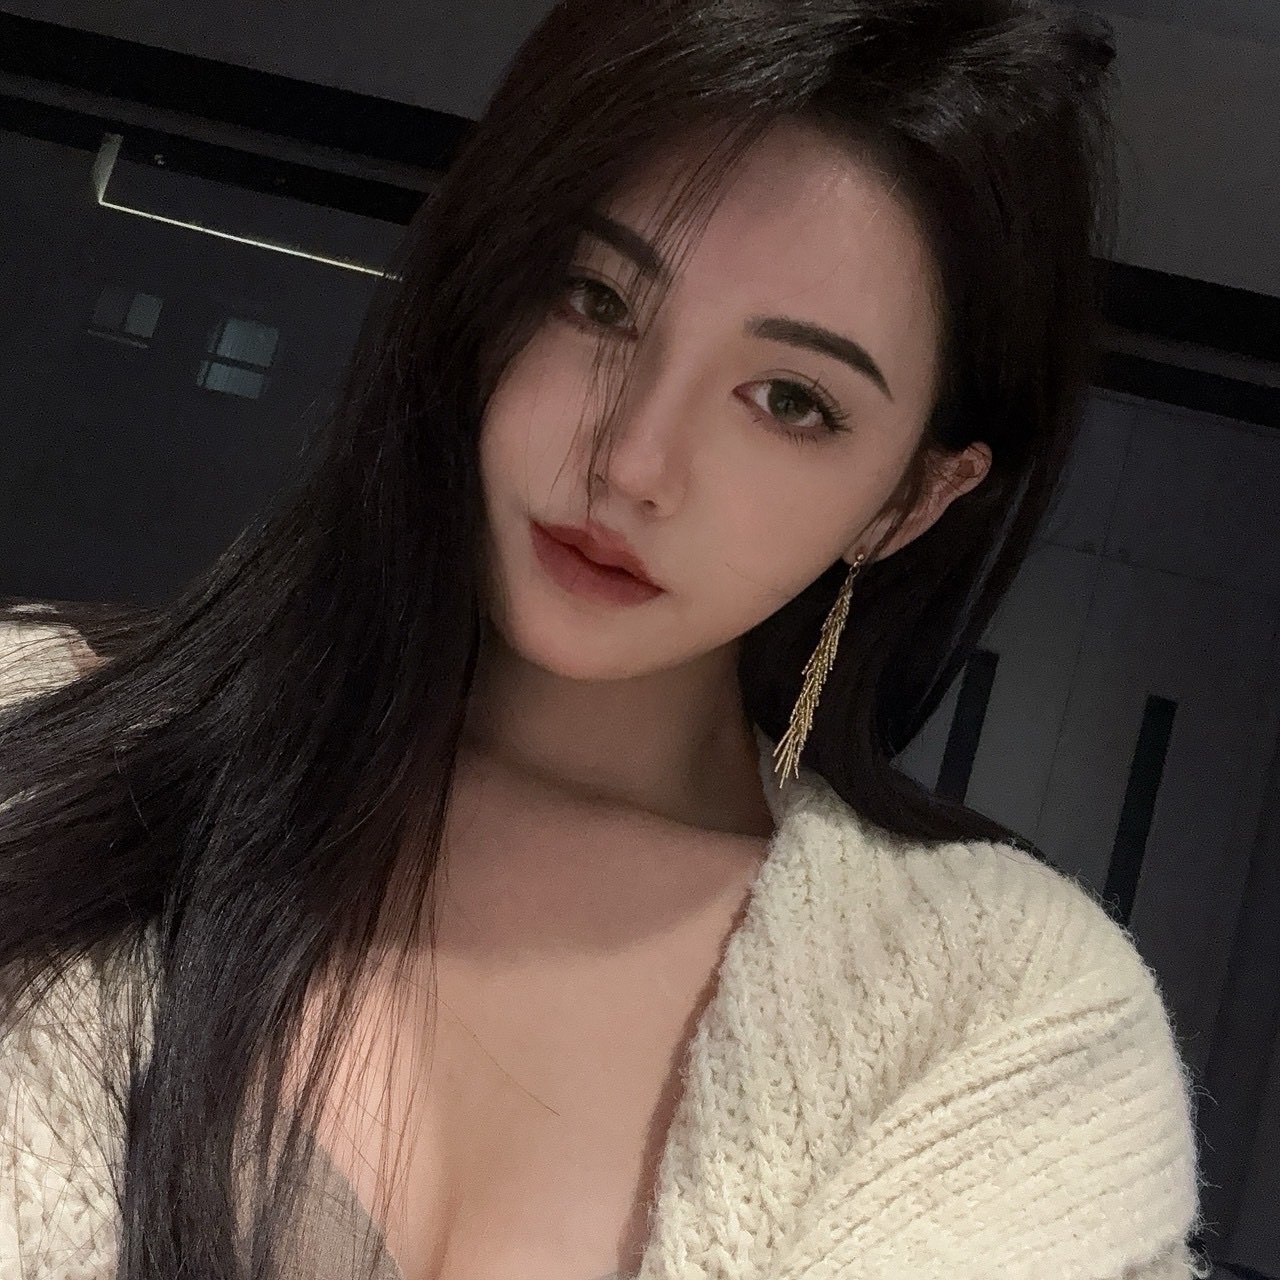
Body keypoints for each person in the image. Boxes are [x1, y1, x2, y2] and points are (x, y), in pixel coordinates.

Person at [0, 1, 1210, 1277]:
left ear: (906, 500)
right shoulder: (35, 733)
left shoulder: (1004, 1011)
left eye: (788, 399)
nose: (632, 461)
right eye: (597, 299)